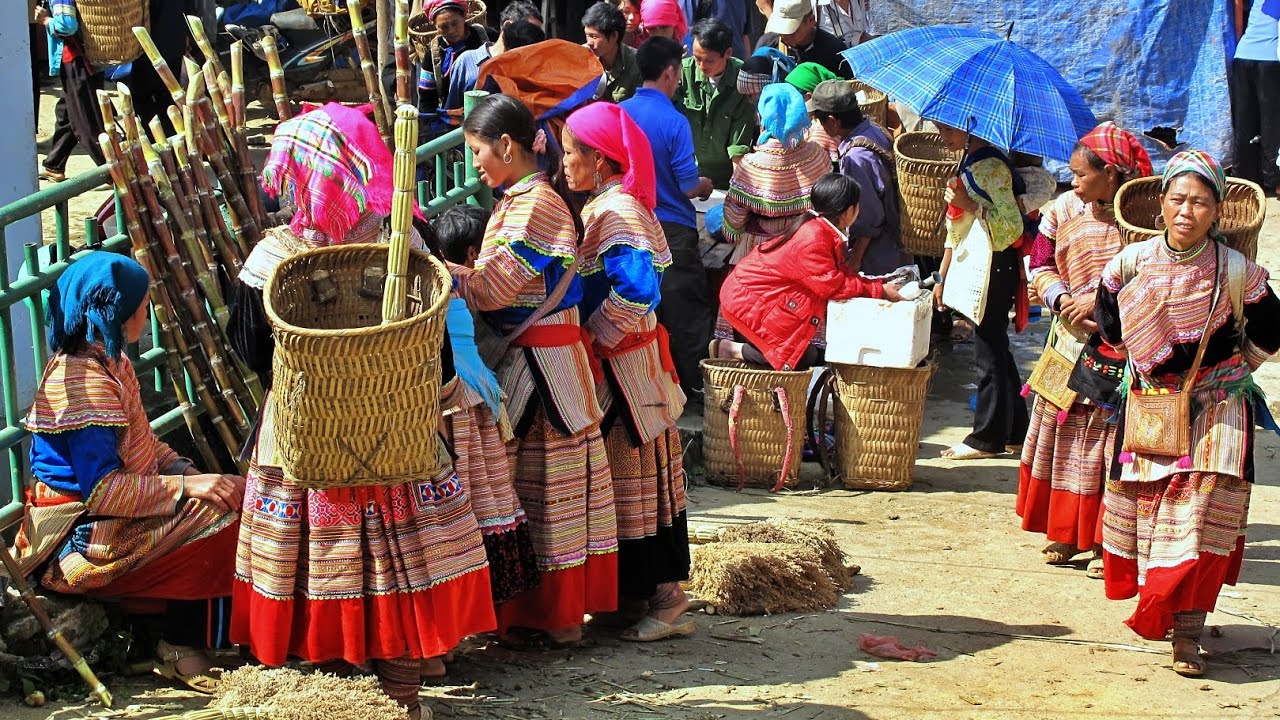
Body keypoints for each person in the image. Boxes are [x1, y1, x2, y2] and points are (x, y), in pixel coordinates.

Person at [229, 104, 495, 718]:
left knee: (320, 558)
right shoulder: (401, 239)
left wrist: (311, 380)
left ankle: (337, 692)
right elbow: (434, 334)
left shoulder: (276, 257)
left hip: (307, 432)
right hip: (397, 428)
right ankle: (405, 690)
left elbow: (246, 344)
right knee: (402, 558)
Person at [11, 251, 243, 695]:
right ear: (117, 315)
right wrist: (190, 486)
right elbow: (103, 492)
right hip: (80, 538)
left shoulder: (110, 361)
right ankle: (178, 646)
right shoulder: (83, 387)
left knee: (227, 494)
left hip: (110, 516)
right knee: (222, 520)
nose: (147, 312)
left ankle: (188, 633)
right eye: (142, 306)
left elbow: (146, 446)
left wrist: (188, 470)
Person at [1095, 150, 1280, 677]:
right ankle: (1170, 613)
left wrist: (1234, 371)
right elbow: (1110, 332)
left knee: (1202, 519)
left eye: (1200, 202)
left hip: (1221, 410)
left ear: (1218, 212)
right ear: (1161, 204)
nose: (1186, 211)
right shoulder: (1128, 265)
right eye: (1178, 199)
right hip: (1153, 409)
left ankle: (1188, 635)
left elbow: (1272, 329)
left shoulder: (1240, 271)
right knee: (1157, 516)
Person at [453, 94, 619, 647]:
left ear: (506, 144)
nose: (474, 163)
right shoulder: (519, 199)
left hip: (545, 369)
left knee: (547, 492)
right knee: (539, 491)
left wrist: (432, 265)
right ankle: (542, 617)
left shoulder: (534, 205)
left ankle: (558, 618)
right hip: (542, 365)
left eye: (477, 150)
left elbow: (492, 288)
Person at [561, 102, 694, 641]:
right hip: (631, 367)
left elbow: (639, 290)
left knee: (633, 484)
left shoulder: (615, 214)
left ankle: (665, 599)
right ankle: (633, 597)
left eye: (572, 153)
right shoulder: (613, 206)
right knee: (632, 486)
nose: (565, 163)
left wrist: (594, 335)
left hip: (625, 371)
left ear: (599, 159)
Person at [1016, 122, 1153, 578]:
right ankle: (1064, 531)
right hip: (1069, 338)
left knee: (1107, 441)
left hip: (1121, 342)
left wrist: (1101, 307)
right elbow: (1038, 261)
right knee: (1063, 434)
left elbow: (1153, 275)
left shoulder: (1143, 219)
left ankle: (1103, 541)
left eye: (1081, 174)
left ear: (1111, 175)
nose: (1073, 181)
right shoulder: (1061, 210)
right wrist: (1060, 299)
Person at [713, 173, 904, 370]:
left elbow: (837, 274)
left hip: (763, 297)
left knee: (811, 353)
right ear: (848, 212)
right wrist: (879, 291)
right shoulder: (814, 237)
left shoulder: (821, 229)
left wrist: (879, 283)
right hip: (750, 300)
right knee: (798, 360)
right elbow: (832, 285)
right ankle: (730, 350)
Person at [621, 37, 715, 407]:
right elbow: (688, 185)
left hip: (628, 226)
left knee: (641, 313)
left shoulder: (620, 112)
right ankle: (693, 390)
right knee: (687, 313)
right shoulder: (675, 122)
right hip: (672, 231)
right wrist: (704, 184)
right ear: (670, 72)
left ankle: (644, 391)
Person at [932, 123, 1031, 460]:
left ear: (972, 129)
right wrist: (941, 277)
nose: (941, 134)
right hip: (979, 264)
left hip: (995, 265)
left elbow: (1012, 227)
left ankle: (986, 438)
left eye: (948, 129)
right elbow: (953, 229)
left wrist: (971, 205)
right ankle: (1016, 432)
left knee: (988, 351)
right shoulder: (969, 165)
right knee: (996, 348)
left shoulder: (991, 168)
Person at [721, 83, 831, 265]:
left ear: (763, 115)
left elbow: (735, 217)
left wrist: (732, 229)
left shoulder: (752, 164)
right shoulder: (817, 155)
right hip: (807, 246)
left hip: (761, 251)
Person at [809, 79, 907, 275]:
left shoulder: (855, 158)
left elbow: (870, 216)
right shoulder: (875, 129)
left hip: (878, 253)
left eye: (820, 121)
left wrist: (856, 258)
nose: (818, 126)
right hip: (896, 242)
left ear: (833, 121)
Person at [676, 18, 757, 189]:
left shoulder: (742, 79)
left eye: (709, 60)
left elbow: (739, 144)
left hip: (724, 178)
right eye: (697, 58)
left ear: (728, 53)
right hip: (685, 173)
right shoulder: (682, 73)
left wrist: (738, 191)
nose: (702, 66)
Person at [444, 1, 544, 113]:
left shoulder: (531, 68)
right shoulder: (466, 61)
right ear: (508, 26)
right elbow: (452, 112)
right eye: (530, 32)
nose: (535, 43)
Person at [1230, 0, 1280, 195]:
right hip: (1271, 59)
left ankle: (1245, 181)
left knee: (1245, 122)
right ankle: (1275, 181)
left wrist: (1238, 37)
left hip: (1243, 54)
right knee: (1272, 123)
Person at [419, 0, 489, 114]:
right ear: (435, 26)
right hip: (454, 120)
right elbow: (426, 99)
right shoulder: (433, 55)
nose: (451, 30)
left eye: (455, 23)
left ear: (464, 17)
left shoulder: (485, 37)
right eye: (444, 27)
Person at [754, 0, 852, 79]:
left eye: (792, 31)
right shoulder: (767, 44)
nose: (785, 35)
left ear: (811, 20)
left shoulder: (833, 50)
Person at [585, 1, 644, 102]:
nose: (589, 43)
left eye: (594, 37)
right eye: (587, 35)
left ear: (614, 36)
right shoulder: (581, 58)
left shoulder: (637, 63)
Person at [785, 62, 840, 160]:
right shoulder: (814, 124)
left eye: (791, 97)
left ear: (809, 97)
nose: (788, 104)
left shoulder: (820, 132)